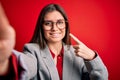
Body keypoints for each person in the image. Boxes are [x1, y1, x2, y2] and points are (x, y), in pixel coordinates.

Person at [0, 2, 108, 80]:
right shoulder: (32, 50)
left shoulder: (78, 55)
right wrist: (5, 62)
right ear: (41, 27)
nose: (54, 28)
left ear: (66, 25)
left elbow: (101, 78)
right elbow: (25, 66)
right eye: (48, 23)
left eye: (60, 22)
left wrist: (92, 57)